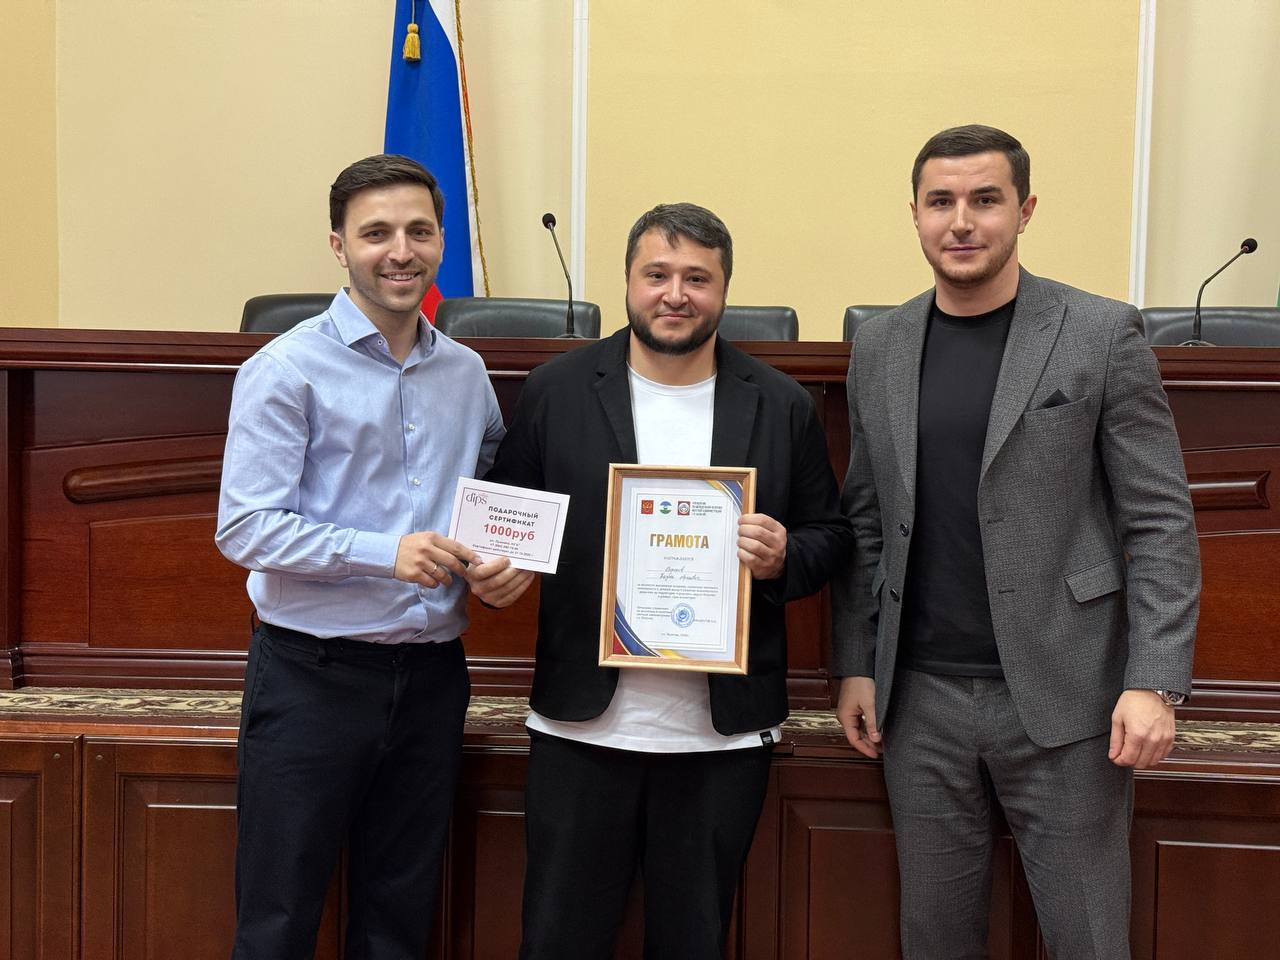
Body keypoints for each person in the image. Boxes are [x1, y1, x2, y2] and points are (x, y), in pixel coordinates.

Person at [831, 124, 1200, 958]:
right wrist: (856, 661)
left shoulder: (1100, 333)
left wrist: (1154, 679)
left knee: (1087, 939)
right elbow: (866, 520)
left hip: (1070, 698)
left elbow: (1160, 521)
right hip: (917, 701)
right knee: (934, 939)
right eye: (941, 201)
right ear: (916, 214)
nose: (962, 221)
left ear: (1025, 210)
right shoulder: (880, 345)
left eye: (985, 200)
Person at [486, 202, 852, 959]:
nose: (675, 294)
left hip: (719, 739)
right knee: (557, 941)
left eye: (697, 278)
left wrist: (784, 553)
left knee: (693, 942)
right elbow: (508, 516)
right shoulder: (557, 389)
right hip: (581, 728)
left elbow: (832, 538)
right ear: (628, 281)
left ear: (724, 290)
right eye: (657, 274)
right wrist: (497, 564)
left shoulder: (781, 403)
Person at [216, 153, 531, 960]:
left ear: (441, 241)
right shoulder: (285, 368)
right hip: (311, 679)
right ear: (339, 246)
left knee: (399, 919)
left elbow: (490, 488)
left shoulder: (465, 372)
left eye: (419, 231)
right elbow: (245, 528)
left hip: (432, 679)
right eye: (376, 233)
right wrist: (381, 554)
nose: (400, 251)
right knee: (278, 919)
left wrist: (503, 561)